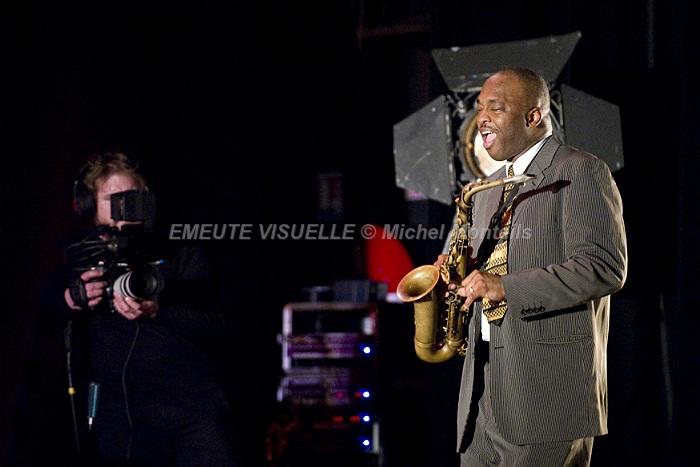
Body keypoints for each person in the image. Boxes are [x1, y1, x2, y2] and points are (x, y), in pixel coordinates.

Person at [434, 68, 628, 466]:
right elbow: (482, 269)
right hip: (483, 389)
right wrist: (454, 275)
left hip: (546, 392)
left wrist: (503, 286)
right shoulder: (484, 189)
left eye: (495, 108)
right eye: (479, 108)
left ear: (533, 116)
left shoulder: (579, 169)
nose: (481, 118)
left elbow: (602, 267)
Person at [42, 152, 238, 465]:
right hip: (122, 411)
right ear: (90, 205)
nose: (126, 208)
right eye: (114, 199)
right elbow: (37, 324)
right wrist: (71, 299)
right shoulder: (75, 257)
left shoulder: (179, 251)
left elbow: (217, 324)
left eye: (132, 198)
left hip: (192, 403)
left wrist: (158, 310)